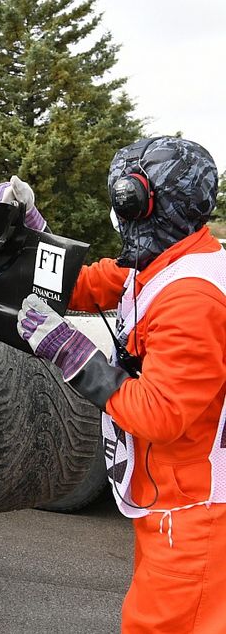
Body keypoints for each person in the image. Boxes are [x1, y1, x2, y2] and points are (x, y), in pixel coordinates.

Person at [14, 137, 224, 632]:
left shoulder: (192, 297)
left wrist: (68, 350)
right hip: (172, 499)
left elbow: (160, 415)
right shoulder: (160, 264)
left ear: (140, 201)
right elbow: (79, 284)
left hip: (196, 512)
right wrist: (28, 233)